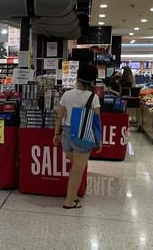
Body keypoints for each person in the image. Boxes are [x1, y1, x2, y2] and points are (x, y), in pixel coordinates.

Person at [53, 64, 102, 209]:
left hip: (67, 134)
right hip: (82, 135)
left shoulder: (67, 94)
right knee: (77, 170)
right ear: (92, 81)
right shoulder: (93, 97)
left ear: (77, 77)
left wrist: (56, 133)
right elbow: (96, 120)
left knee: (75, 167)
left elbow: (59, 116)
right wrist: (98, 140)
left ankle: (73, 195)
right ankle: (69, 200)